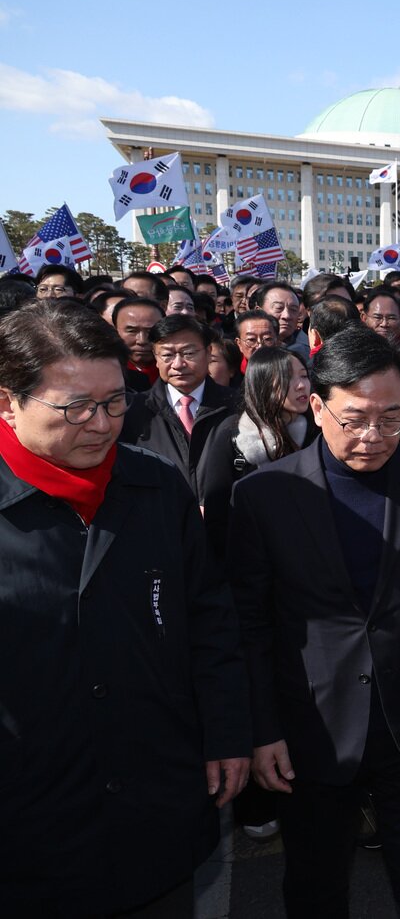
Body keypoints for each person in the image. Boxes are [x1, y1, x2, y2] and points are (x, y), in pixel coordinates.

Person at [0, 300, 250, 915]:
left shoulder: (156, 485)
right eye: (75, 407)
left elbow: (209, 619)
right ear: (8, 402)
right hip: (30, 824)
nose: (102, 424)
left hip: (156, 801)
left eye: (115, 402)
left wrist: (226, 733)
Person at [228, 327, 400, 919]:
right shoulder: (264, 495)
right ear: (317, 408)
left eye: (391, 419)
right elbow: (250, 626)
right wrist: (262, 730)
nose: (374, 436)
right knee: (316, 884)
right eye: (355, 419)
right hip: (311, 724)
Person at [203, 346, 316, 563]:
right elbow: (217, 517)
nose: (301, 385)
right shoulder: (233, 436)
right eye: (288, 378)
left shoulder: (317, 432)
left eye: (304, 376)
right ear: (262, 383)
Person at [119, 314, 239, 504]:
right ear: (156, 358)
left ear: (208, 353)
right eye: (167, 355)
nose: (178, 364)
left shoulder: (239, 406)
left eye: (188, 353)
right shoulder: (134, 411)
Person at [112, 295, 165, 391]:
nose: (142, 340)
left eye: (150, 331)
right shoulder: (107, 372)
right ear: (115, 331)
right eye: (132, 331)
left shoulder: (178, 371)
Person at [249, 282, 309, 361]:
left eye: (293, 309)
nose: (286, 316)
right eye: (278, 308)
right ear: (259, 311)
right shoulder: (244, 348)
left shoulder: (309, 354)